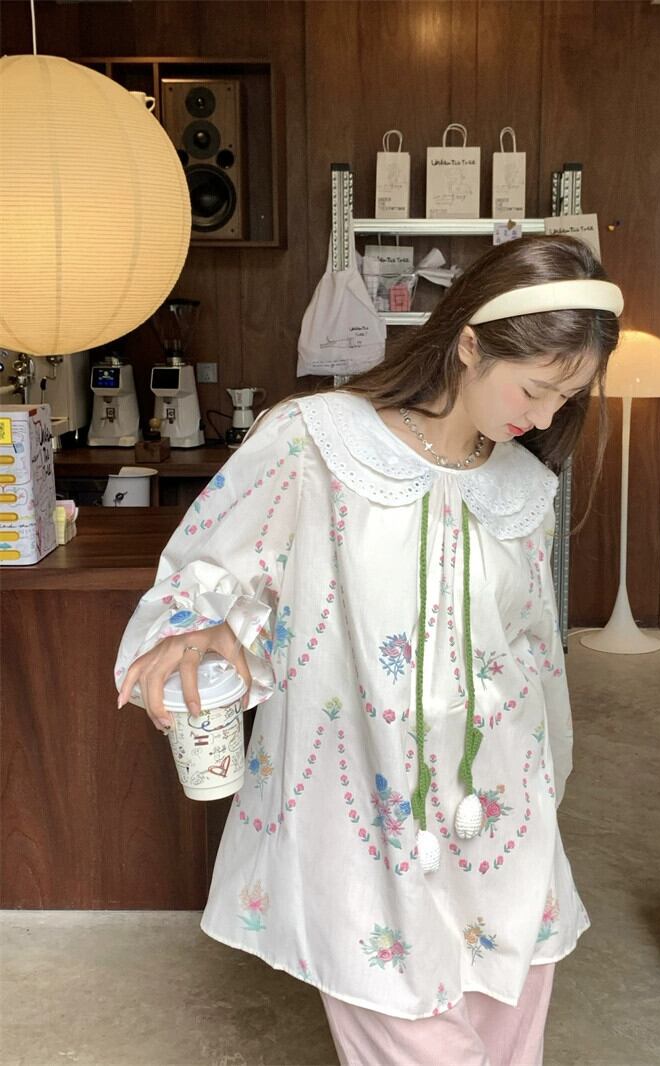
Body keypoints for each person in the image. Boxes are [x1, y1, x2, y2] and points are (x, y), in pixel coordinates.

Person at [115, 234, 623, 1066]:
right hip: (361, 810)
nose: (545, 418)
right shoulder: (315, 441)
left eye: (567, 398)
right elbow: (215, 567)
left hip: (502, 817)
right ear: (470, 344)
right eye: (536, 388)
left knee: (510, 1034)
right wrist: (209, 628)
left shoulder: (523, 489)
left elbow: (536, 660)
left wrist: (547, 784)